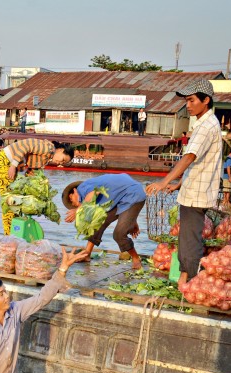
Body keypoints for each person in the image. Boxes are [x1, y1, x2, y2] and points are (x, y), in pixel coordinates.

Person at [145, 79, 221, 285]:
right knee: (188, 237)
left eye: (191, 100)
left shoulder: (206, 126)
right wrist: (178, 184)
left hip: (197, 194)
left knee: (189, 239)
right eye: (186, 101)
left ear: (206, 100)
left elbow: (189, 157)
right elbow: (199, 163)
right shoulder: (205, 123)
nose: (188, 106)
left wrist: (164, 181)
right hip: (194, 189)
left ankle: (188, 280)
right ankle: (186, 277)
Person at [61, 174, 146, 269]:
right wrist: (133, 221)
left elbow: (95, 192)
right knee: (97, 223)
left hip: (134, 194)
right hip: (123, 197)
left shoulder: (82, 188)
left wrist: (78, 210)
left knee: (119, 234)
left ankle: (136, 259)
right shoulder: (90, 200)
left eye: (72, 201)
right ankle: (87, 254)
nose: (74, 204)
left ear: (74, 191)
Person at [0, 138, 74, 234]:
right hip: (5, 160)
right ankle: (8, 235)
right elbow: (25, 147)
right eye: (63, 159)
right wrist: (13, 166)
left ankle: (14, 233)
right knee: (8, 200)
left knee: (16, 200)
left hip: (11, 163)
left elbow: (31, 169)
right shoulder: (47, 148)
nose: (60, 163)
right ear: (61, 150)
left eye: (63, 163)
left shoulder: (48, 156)